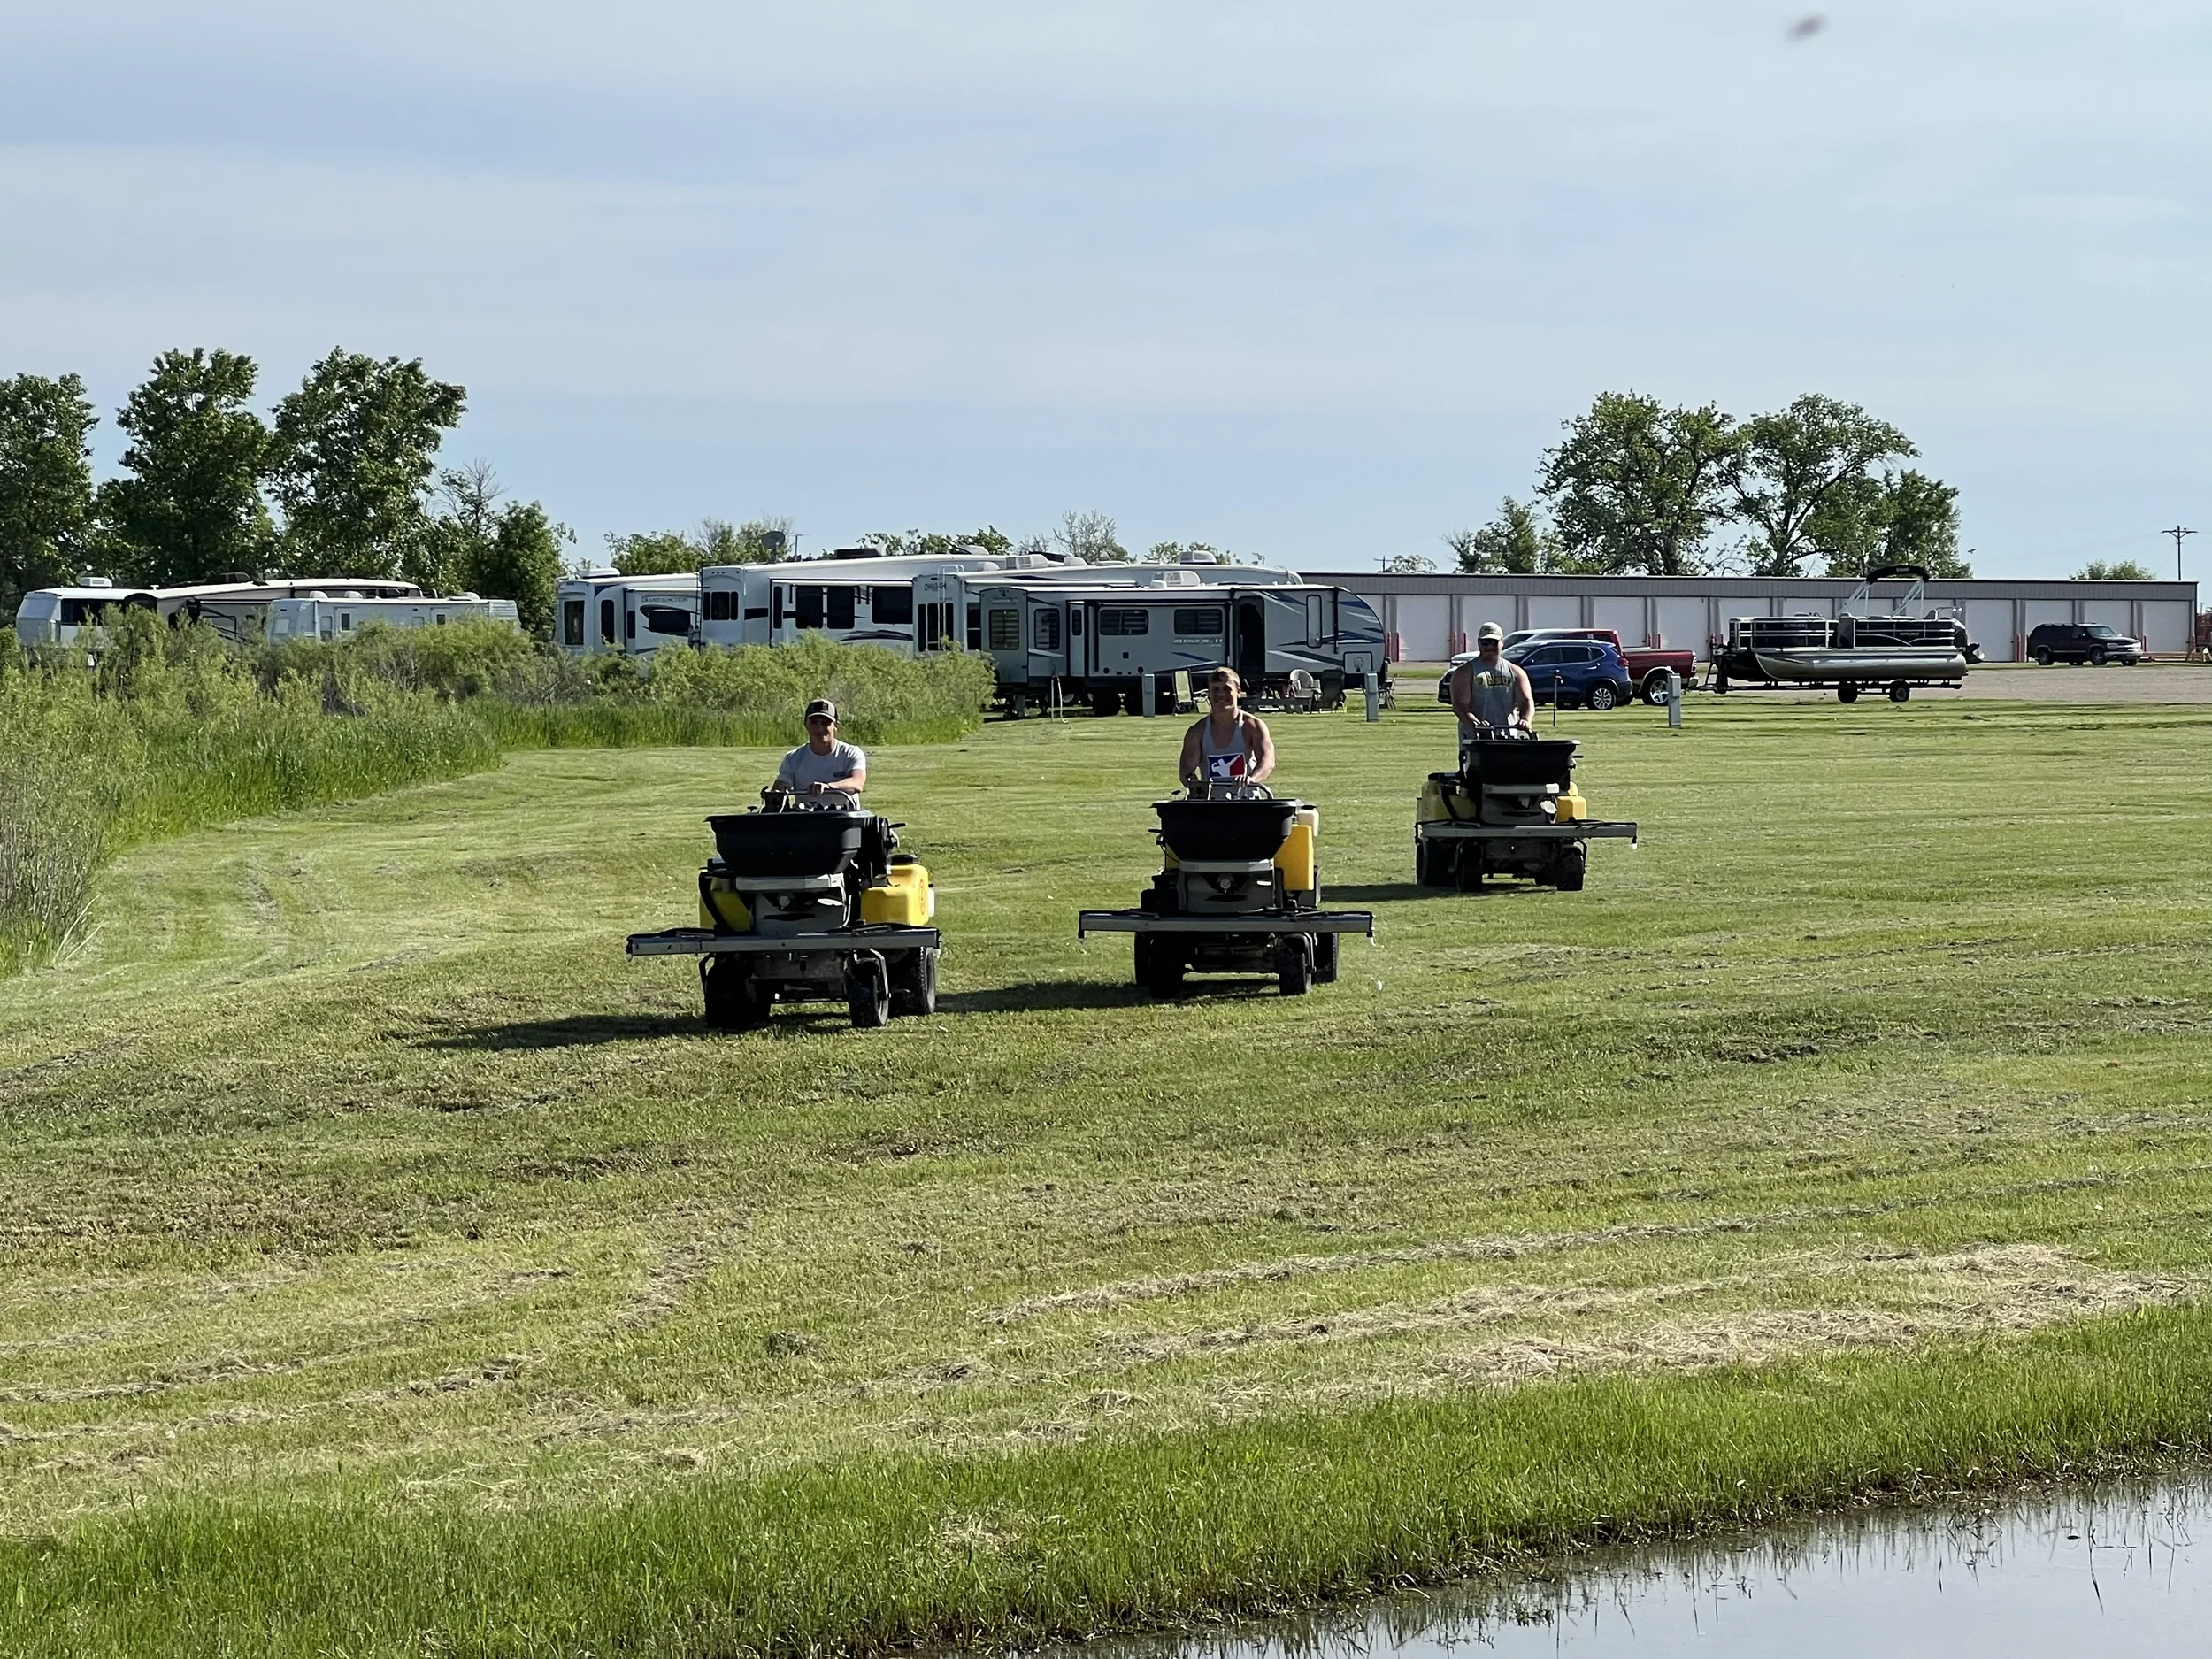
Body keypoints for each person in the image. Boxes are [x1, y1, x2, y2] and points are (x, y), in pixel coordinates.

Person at [1179, 666, 1276, 792]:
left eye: (1227, 689)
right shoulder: (1197, 732)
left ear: (1238, 691)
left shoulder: (1253, 726)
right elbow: (1186, 770)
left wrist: (1252, 779)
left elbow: (1267, 762)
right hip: (1212, 804)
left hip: (1247, 802)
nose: (1221, 694)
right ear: (1209, 693)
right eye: (1215, 689)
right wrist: (1195, 784)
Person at [1450, 622, 1535, 757]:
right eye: (1485, 642)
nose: (1489, 647)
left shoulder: (1516, 672)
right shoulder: (1465, 672)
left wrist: (1525, 720)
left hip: (1508, 737)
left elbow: (1525, 701)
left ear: (1502, 643)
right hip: (1475, 740)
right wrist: (1476, 724)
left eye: (1493, 642)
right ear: (1479, 643)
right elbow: (1460, 706)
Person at [774, 698, 868, 802]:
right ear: (806, 725)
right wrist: (775, 794)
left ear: (835, 726)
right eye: (814, 723)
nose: (819, 728)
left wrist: (828, 787)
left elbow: (857, 783)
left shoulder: (851, 754)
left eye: (825, 723)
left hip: (843, 816)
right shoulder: (792, 758)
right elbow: (781, 785)